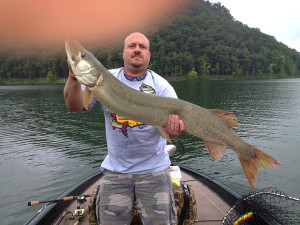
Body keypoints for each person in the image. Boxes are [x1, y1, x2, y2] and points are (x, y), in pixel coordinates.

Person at [64, 32, 186, 225]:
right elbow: (74, 106)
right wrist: (73, 77)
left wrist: (175, 130)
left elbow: (171, 131)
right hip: (116, 172)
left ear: (148, 54)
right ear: (123, 53)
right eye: (132, 46)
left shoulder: (162, 86)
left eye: (142, 47)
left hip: (154, 170)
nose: (137, 49)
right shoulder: (104, 79)